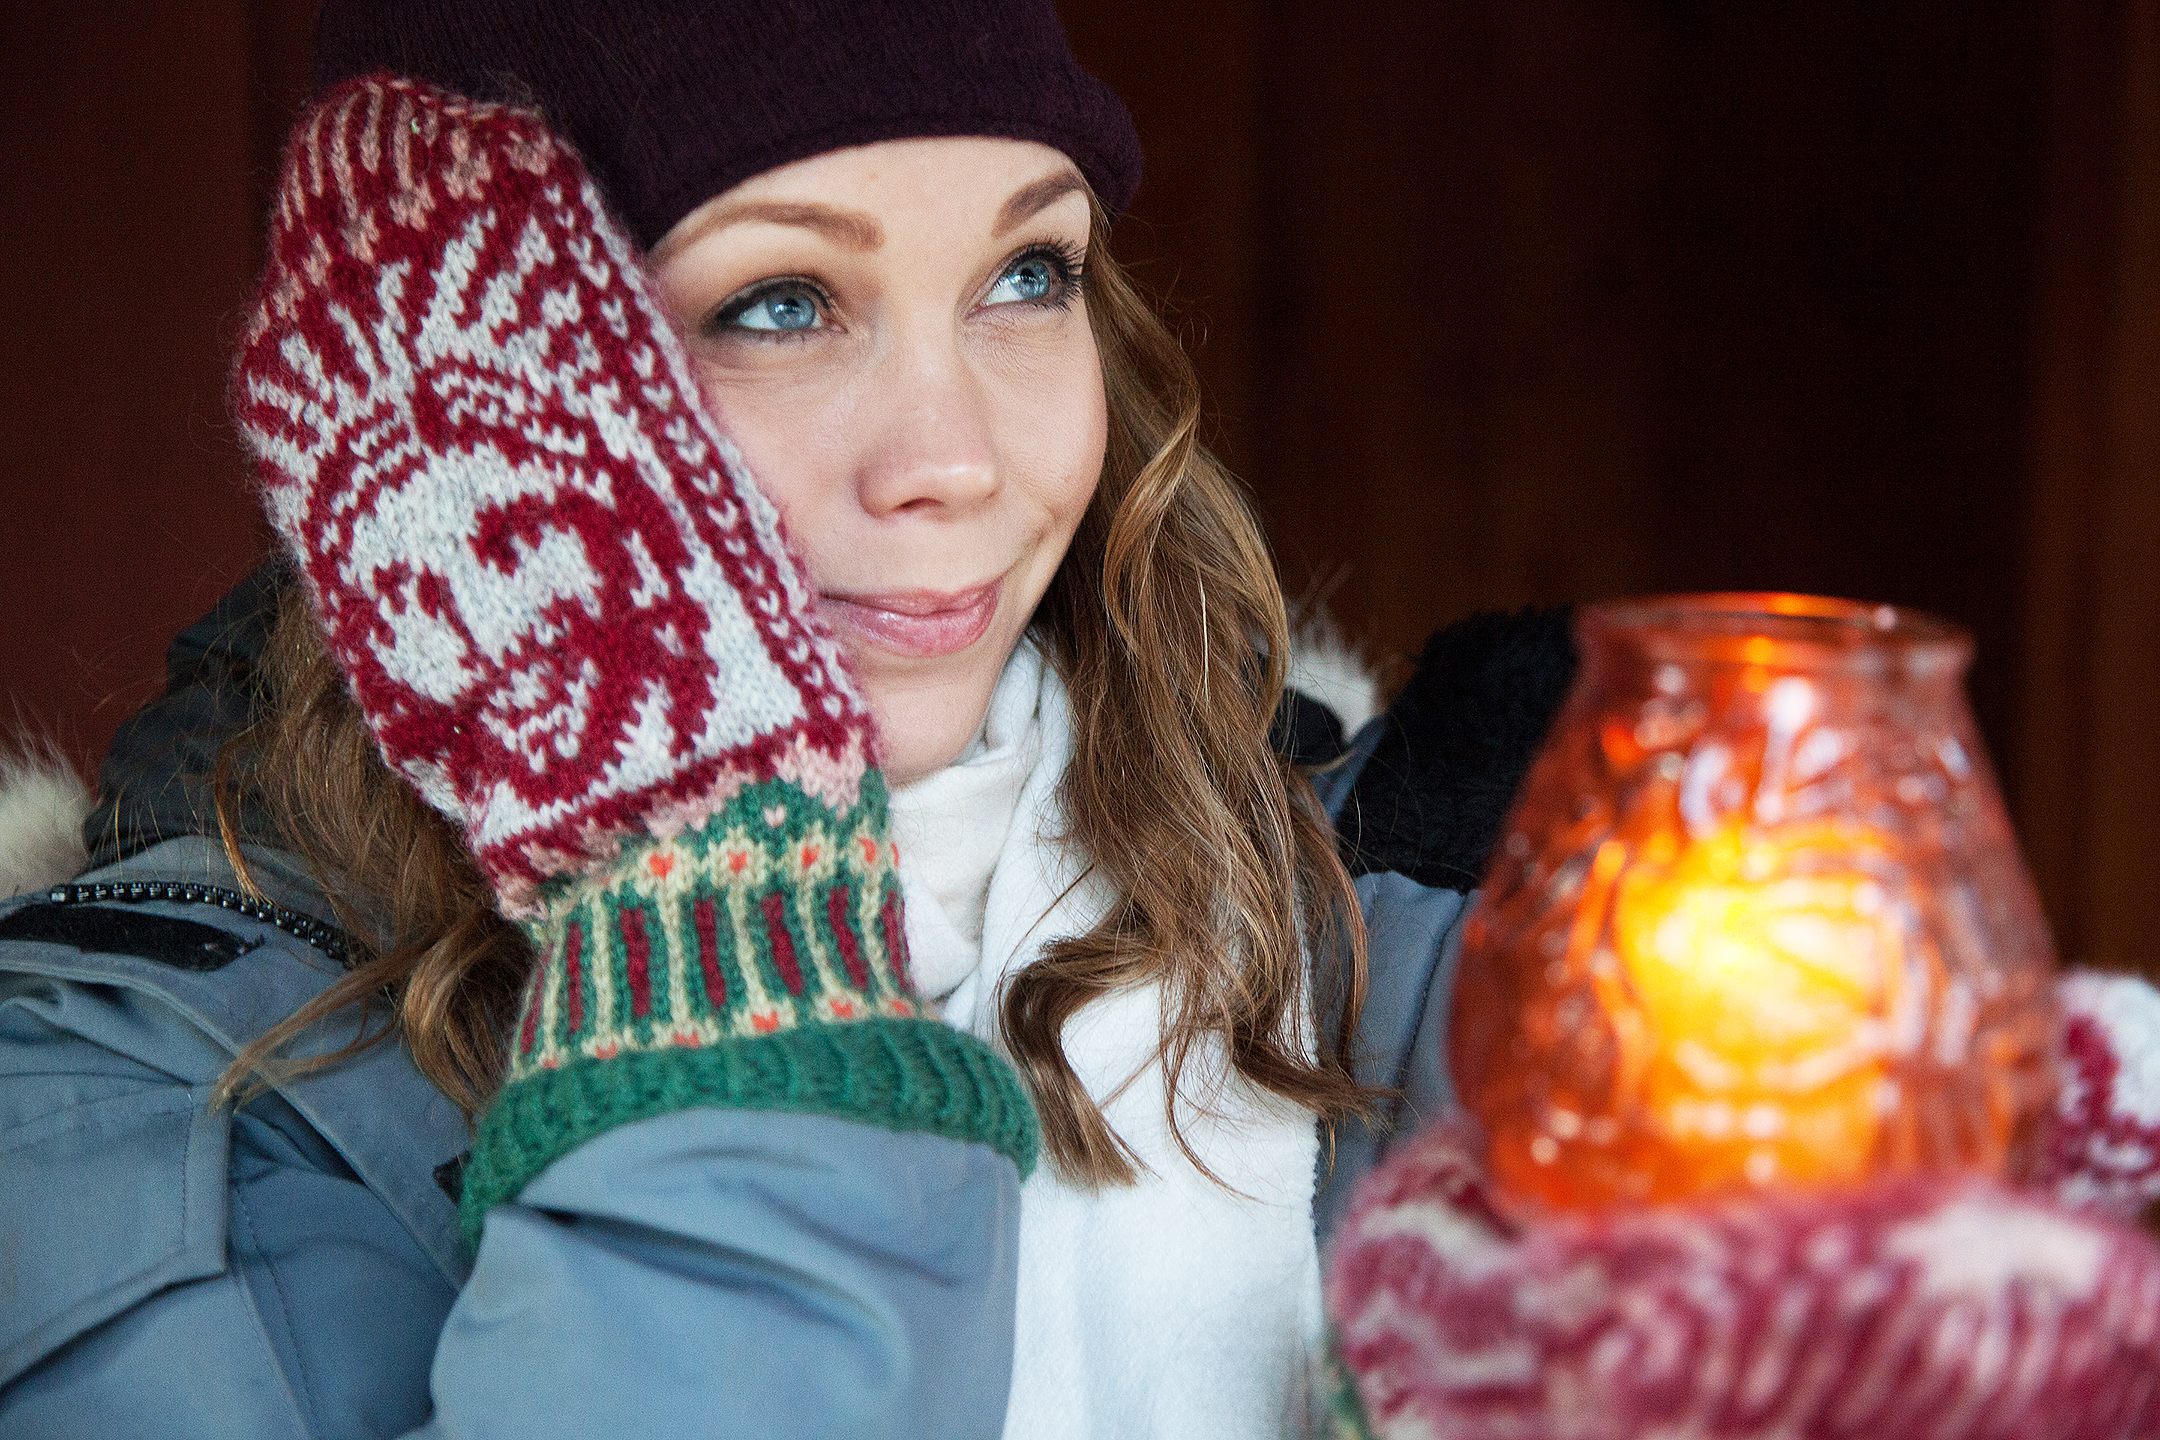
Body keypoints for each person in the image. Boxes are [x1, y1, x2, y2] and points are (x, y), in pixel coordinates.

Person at [0, 5, 1575, 1437]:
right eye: (780, 303)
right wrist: (706, 900)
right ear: (472, 429)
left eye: (1028, 276)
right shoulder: (122, 1112)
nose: (954, 459)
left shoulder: (1411, 911)